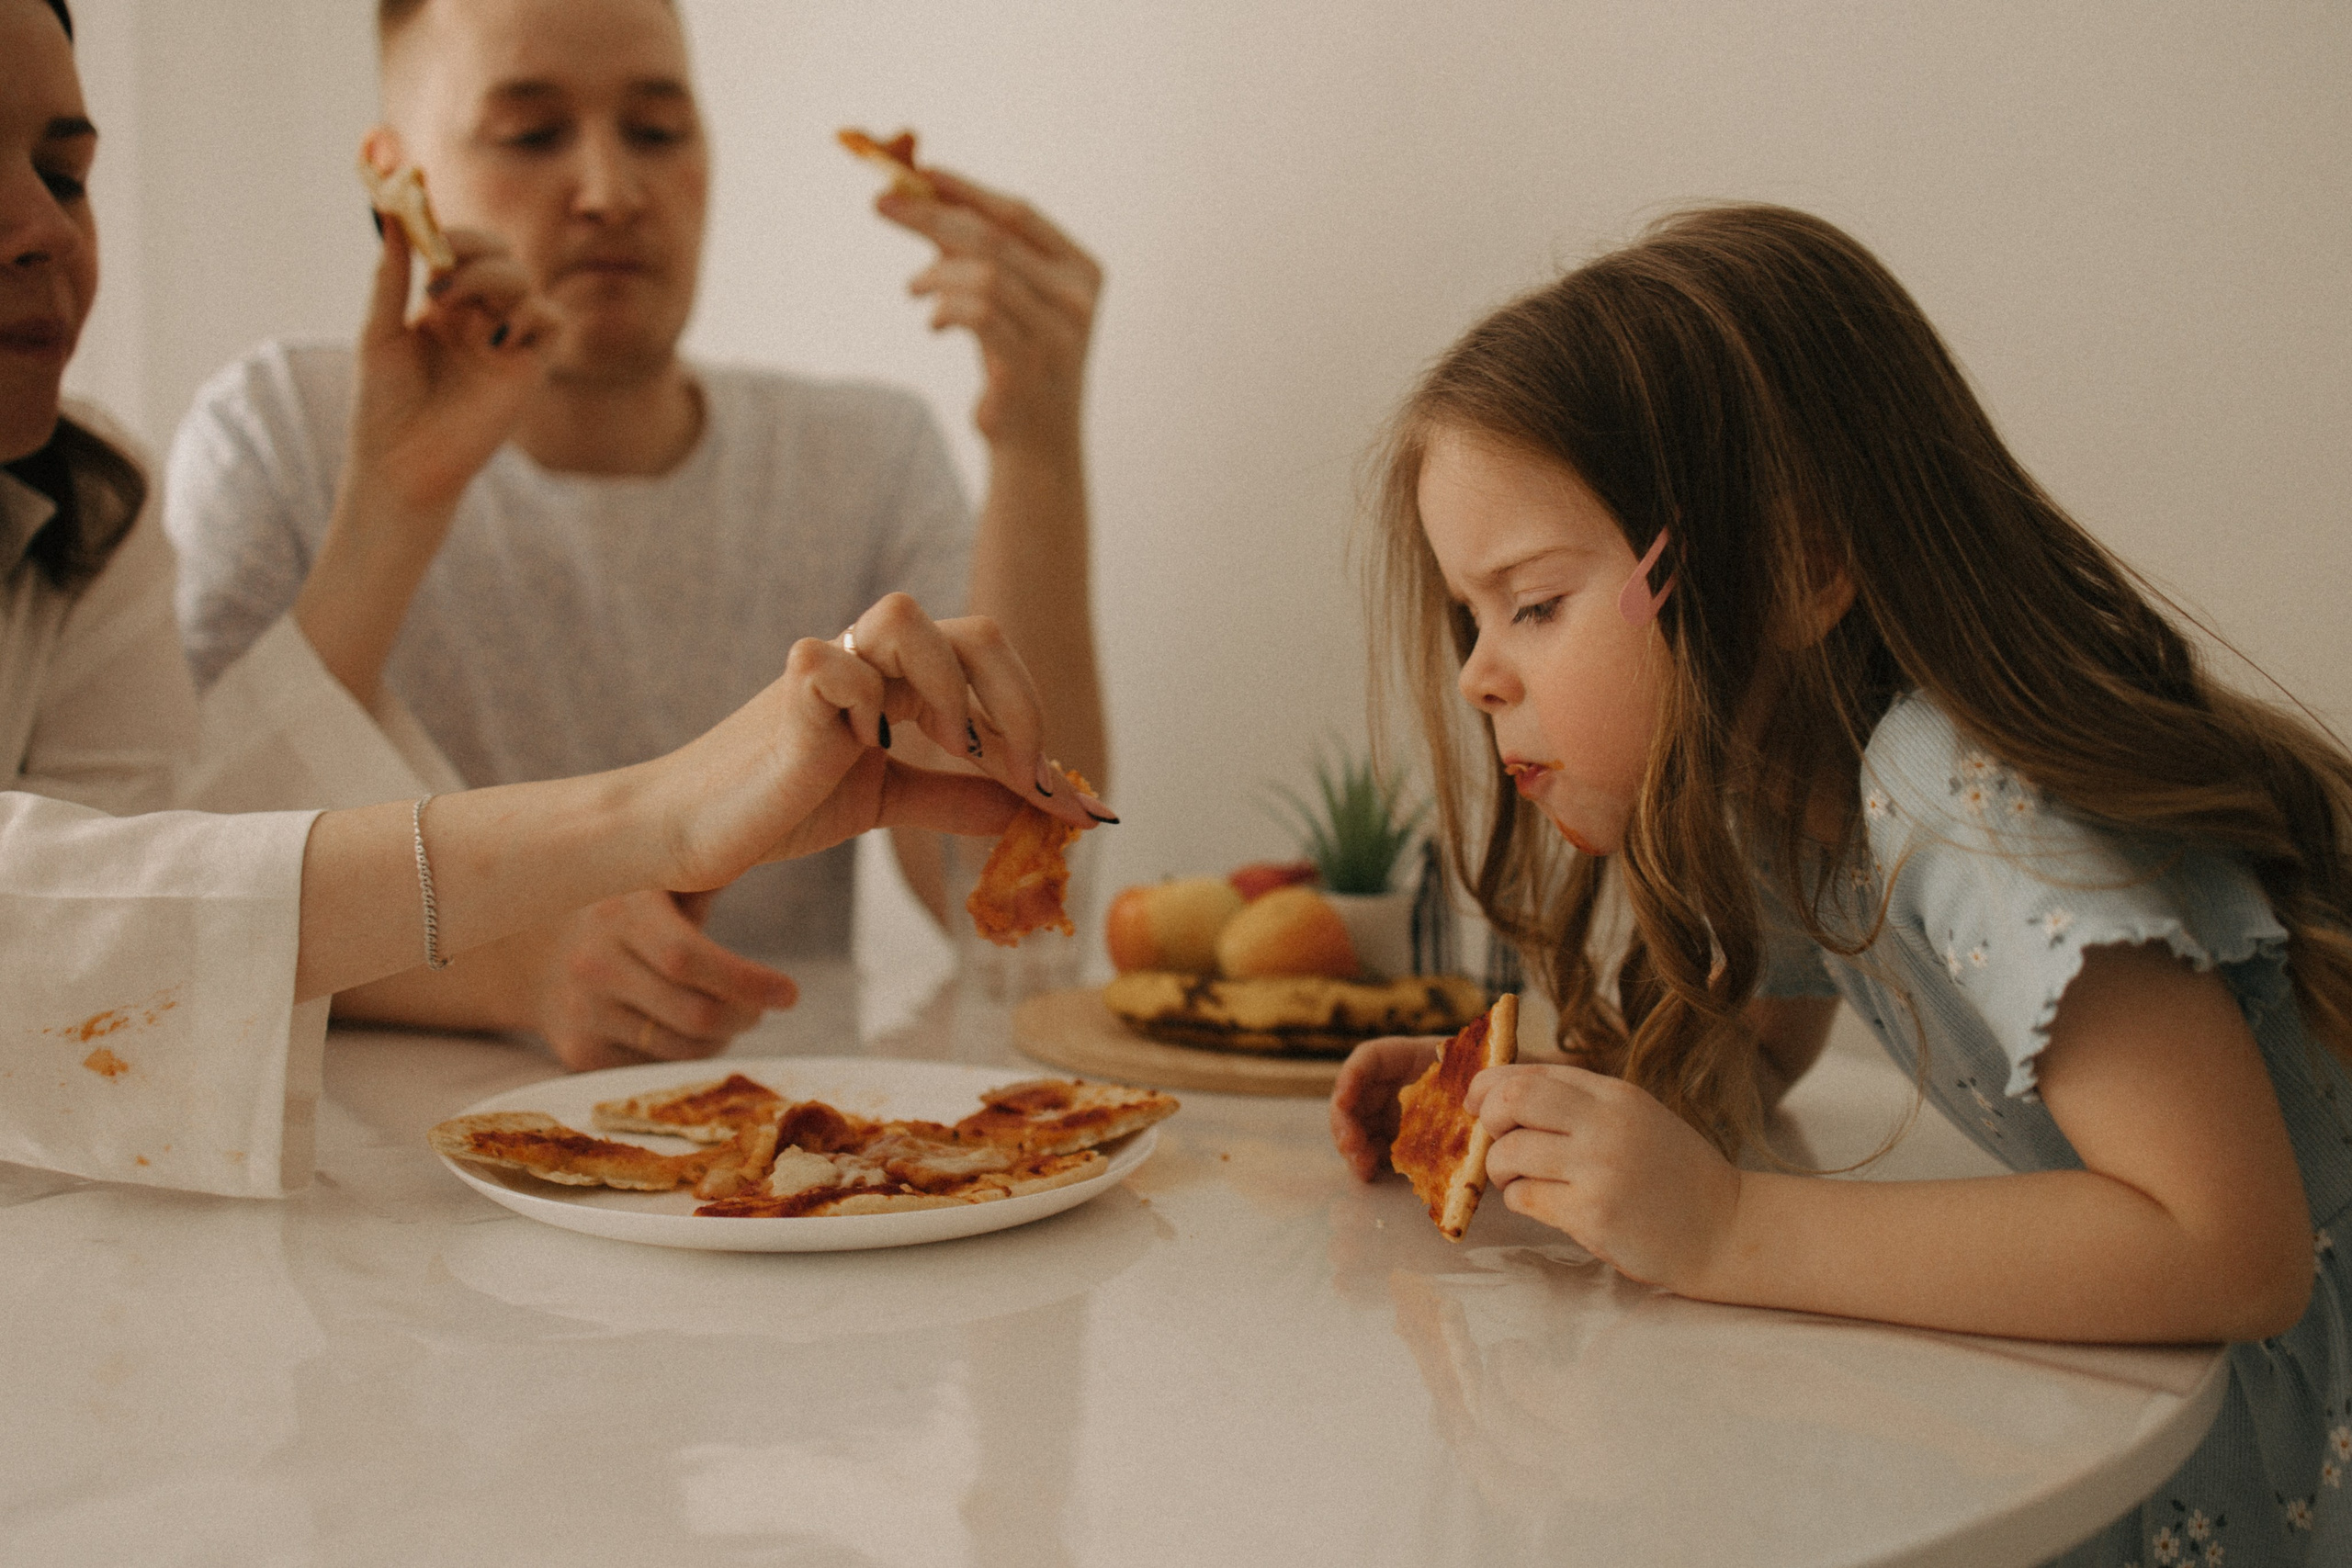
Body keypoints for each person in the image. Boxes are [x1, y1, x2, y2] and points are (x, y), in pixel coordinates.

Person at [1329, 204, 2351, 1565]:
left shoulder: (1953, 789)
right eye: (1471, 618)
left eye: (1532, 604)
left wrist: (1729, 1225)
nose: (1477, 675)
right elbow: (1757, 1032)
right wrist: (1553, 1124)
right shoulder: (1780, 791)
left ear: (1800, 564)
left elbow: (2229, 1244)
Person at [0, 0, 1102, 1197]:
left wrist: (1036, 439)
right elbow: (179, 907)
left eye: (660, 129)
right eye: (529, 133)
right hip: (405, 1196)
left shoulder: (83, 498)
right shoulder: (279, 432)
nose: (610, 189)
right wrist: (530, 939)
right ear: (397, 177)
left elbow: (1018, 917)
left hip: (797, 1165)